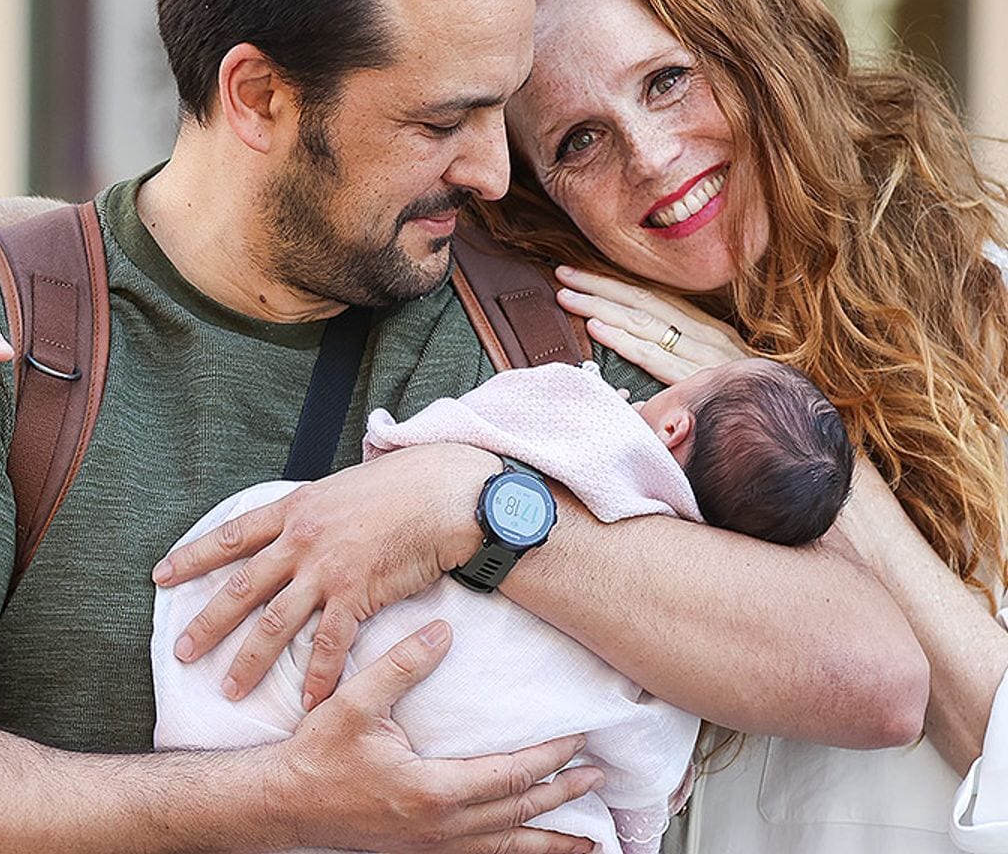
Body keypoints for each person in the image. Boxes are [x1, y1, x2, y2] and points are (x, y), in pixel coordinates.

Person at [0, 0, 929, 854]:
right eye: (441, 122)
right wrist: (273, 799)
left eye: (503, 113)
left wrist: (488, 509)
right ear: (260, 97)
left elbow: (870, 676)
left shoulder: (546, 332)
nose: (496, 174)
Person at [473, 0, 1007, 853]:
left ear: (757, 56)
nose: (651, 156)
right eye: (577, 141)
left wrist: (775, 416)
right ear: (548, 203)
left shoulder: (994, 321)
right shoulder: (594, 409)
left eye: (668, 80)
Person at [152, 357, 854, 854]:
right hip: (503, 743)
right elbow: (646, 770)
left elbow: (455, 436)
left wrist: (406, 462)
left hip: (386, 653)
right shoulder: (690, 617)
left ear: (673, 428)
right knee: (571, 803)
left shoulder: (587, 414)